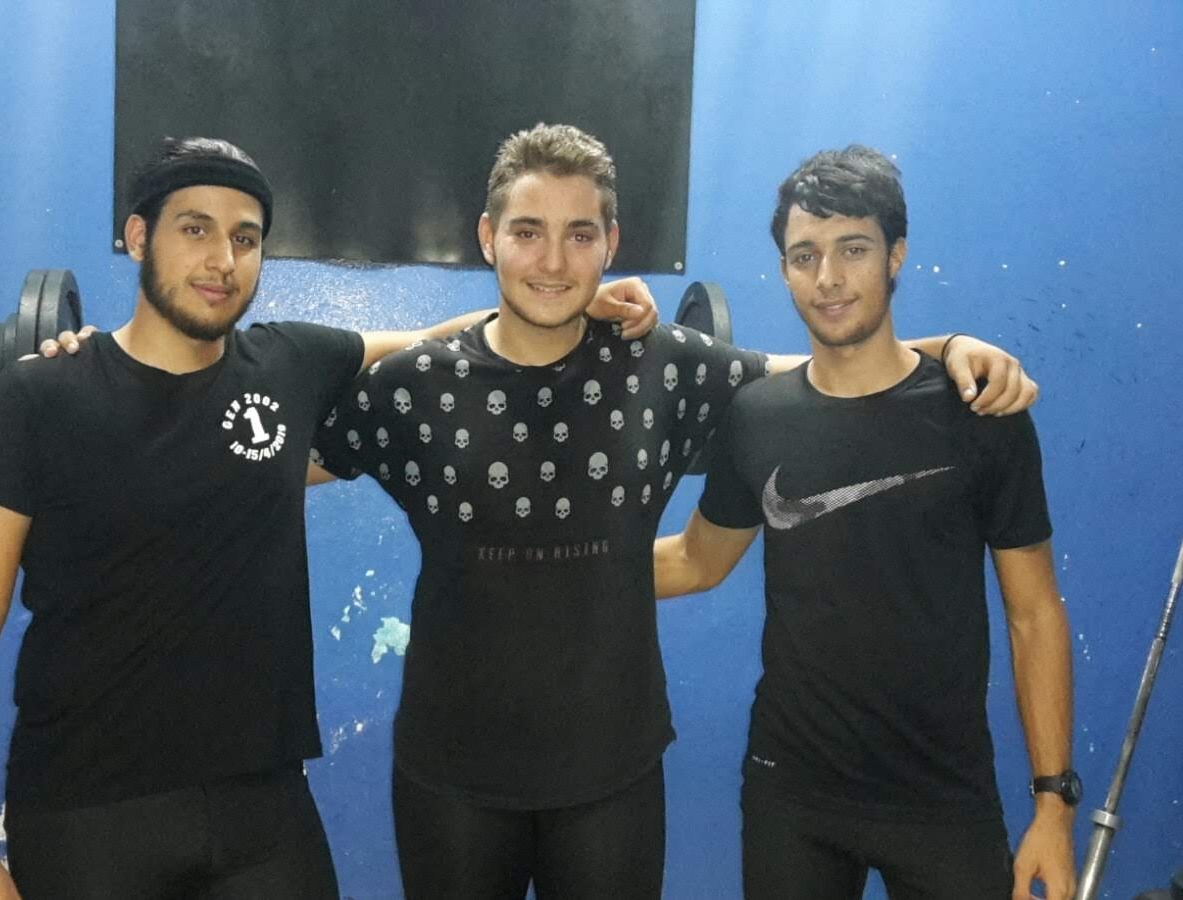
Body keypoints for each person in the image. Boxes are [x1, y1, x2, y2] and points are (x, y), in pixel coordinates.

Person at [310, 124, 1039, 899]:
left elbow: (834, 371)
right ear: (488, 238)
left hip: (614, 777)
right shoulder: (415, 383)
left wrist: (949, 348)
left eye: (578, 234)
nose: (553, 261)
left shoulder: (661, 364)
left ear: (611, 243)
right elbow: (270, 466)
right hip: (450, 779)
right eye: (527, 232)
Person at [0, 135, 657, 900]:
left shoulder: (287, 366)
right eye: (194, 229)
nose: (221, 260)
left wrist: (570, 302)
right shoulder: (34, 402)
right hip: (85, 815)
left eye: (245, 239)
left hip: (263, 812)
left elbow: (444, 347)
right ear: (139, 237)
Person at [654, 145, 1076, 900]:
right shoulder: (755, 417)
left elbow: (1035, 613)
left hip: (944, 800)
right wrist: (554, 568)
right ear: (784, 269)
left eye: (852, 249)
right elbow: (696, 560)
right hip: (792, 795)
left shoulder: (980, 412)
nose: (828, 277)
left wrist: (1053, 805)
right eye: (804, 255)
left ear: (895, 255)